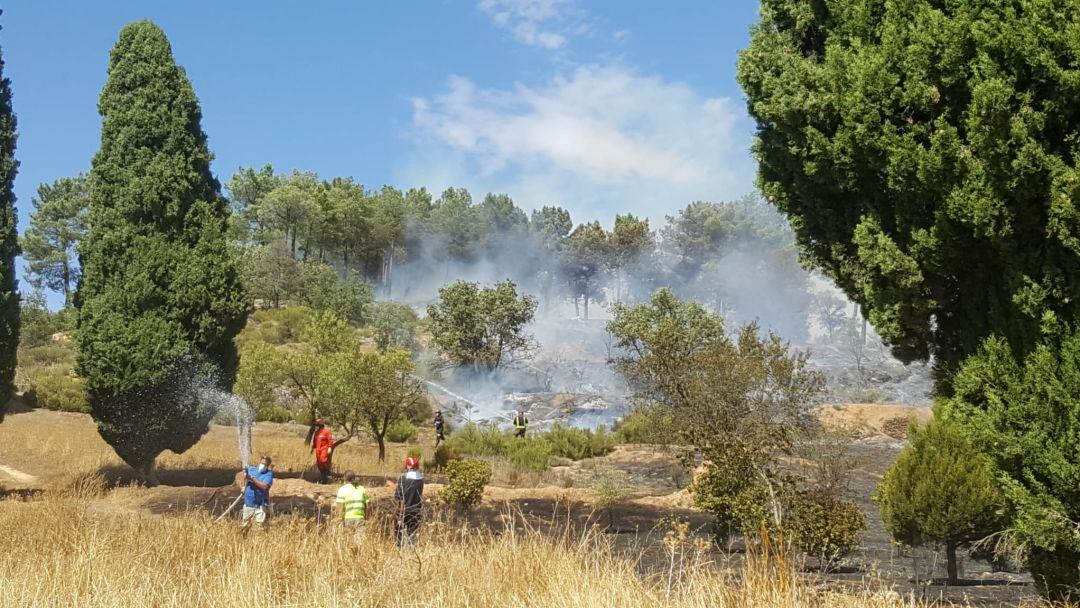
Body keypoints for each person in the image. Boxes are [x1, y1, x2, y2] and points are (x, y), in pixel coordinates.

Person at [393, 456, 424, 548]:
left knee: (399, 534)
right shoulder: (421, 479)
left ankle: (400, 551)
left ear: (407, 466)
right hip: (417, 511)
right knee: (412, 536)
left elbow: (399, 498)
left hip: (404, 511)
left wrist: (396, 514)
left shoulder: (403, 479)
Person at [241, 454, 274, 530]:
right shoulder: (252, 469)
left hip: (260, 504)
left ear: (268, 465)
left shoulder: (268, 474)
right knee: (245, 525)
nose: (263, 465)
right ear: (259, 462)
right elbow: (245, 475)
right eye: (262, 463)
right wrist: (244, 486)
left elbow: (264, 486)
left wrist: (252, 479)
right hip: (248, 502)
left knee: (260, 526)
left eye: (265, 464)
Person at [311, 418, 334, 484]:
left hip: (324, 449)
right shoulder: (316, 433)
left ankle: (328, 476)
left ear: (321, 425)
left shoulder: (326, 432)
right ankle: (323, 479)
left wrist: (330, 447)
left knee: (323, 461)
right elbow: (315, 442)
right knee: (319, 464)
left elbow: (330, 440)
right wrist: (313, 448)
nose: (316, 426)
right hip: (318, 450)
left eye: (317, 425)